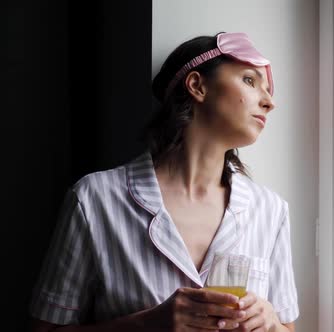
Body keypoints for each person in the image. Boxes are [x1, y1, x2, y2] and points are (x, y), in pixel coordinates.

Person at [29, 32, 298, 332]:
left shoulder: (271, 211)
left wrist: (271, 322)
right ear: (197, 85)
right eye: (250, 80)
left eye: (267, 89)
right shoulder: (94, 200)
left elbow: (288, 327)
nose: (269, 102)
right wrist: (147, 324)